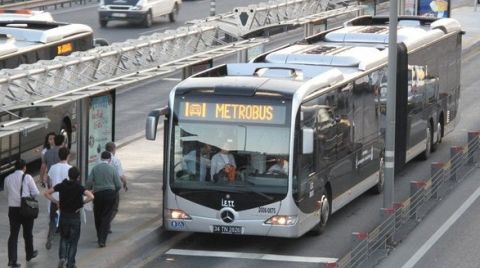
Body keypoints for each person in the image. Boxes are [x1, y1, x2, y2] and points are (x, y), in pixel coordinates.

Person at [44, 167, 94, 268]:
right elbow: (91, 196)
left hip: (64, 217)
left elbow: (46, 193)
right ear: (78, 177)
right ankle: (70, 263)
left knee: (64, 238)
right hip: (74, 217)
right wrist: (81, 203)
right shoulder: (79, 187)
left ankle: (62, 257)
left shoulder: (62, 185)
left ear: (69, 175)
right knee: (73, 241)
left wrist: (56, 202)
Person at [4, 159, 39, 267]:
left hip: (13, 209)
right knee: (28, 233)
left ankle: (12, 260)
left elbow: (6, 194)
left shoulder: (7, 178)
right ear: (24, 167)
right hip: (26, 208)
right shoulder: (27, 177)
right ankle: (29, 254)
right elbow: (36, 192)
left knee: (13, 235)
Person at [86, 151, 122, 248]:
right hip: (110, 194)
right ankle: (103, 240)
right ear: (110, 159)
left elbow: (89, 182)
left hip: (98, 194)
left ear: (101, 158)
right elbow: (118, 184)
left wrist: (89, 189)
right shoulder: (112, 169)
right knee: (106, 216)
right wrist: (114, 191)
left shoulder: (95, 168)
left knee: (97, 215)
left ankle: (99, 236)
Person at [45, 147, 72, 250]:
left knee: (53, 219)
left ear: (58, 156)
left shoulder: (53, 168)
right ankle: (63, 240)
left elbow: (49, 182)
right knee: (65, 220)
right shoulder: (70, 168)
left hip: (54, 198)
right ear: (68, 156)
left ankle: (50, 236)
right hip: (66, 199)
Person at [105, 142, 127, 232]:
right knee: (114, 207)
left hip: (100, 188)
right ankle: (106, 223)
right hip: (112, 188)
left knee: (103, 207)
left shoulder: (99, 159)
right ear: (114, 149)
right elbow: (121, 176)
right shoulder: (116, 160)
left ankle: (106, 224)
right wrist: (125, 183)